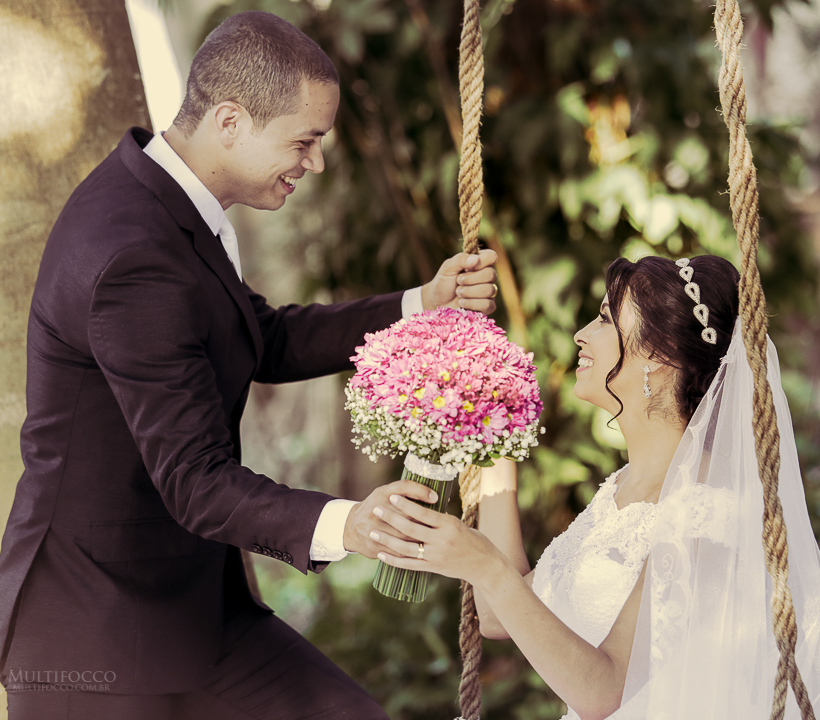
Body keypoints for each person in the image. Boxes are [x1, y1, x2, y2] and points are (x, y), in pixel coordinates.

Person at [0, 11, 497, 720]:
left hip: (199, 613)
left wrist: (421, 303)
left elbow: (260, 338)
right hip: (94, 638)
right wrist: (352, 524)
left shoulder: (170, 201)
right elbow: (195, 482)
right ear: (229, 122)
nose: (315, 163)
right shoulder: (133, 253)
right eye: (304, 141)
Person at [372, 255, 820, 719]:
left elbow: (604, 694)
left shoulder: (703, 509)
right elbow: (500, 617)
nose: (581, 334)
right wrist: (497, 439)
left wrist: (484, 564)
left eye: (605, 318)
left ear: (659, 358)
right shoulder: (621, 488)